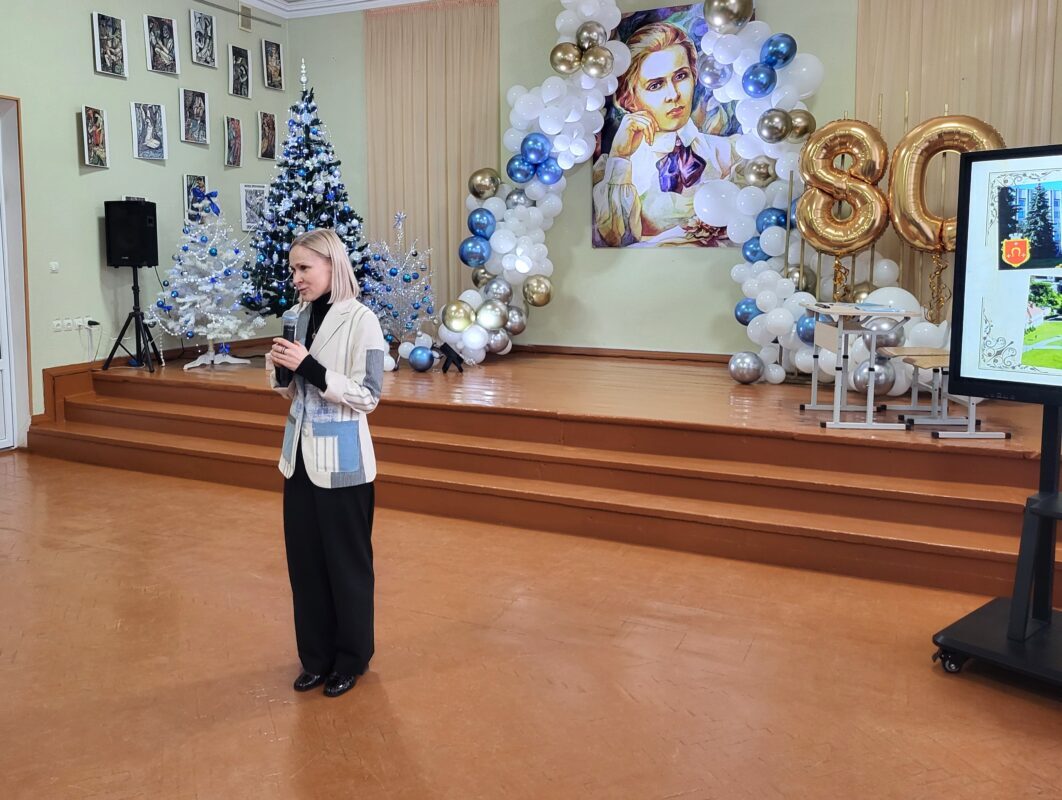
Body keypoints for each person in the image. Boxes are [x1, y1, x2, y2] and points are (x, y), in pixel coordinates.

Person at [265, 229, 387, 698]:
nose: (296, 278)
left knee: (346, 566)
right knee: (306, 564)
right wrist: (280, 370)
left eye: (304, 268)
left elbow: (368, 396)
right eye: (292, 269)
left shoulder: (362, 321)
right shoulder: (294, 318)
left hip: (343, 462)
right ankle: (315, 658)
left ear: (332, 266)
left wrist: (309, 367)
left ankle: (351, 659)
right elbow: (287, 389)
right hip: (297, 458)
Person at [593, 21, 737, 247]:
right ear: (629, 100)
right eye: (655, 85)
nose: (673, 94)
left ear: (694, 76)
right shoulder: (616, 169)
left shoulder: (726, 152)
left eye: (681, 76)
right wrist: (620, 157)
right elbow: (615, 241)